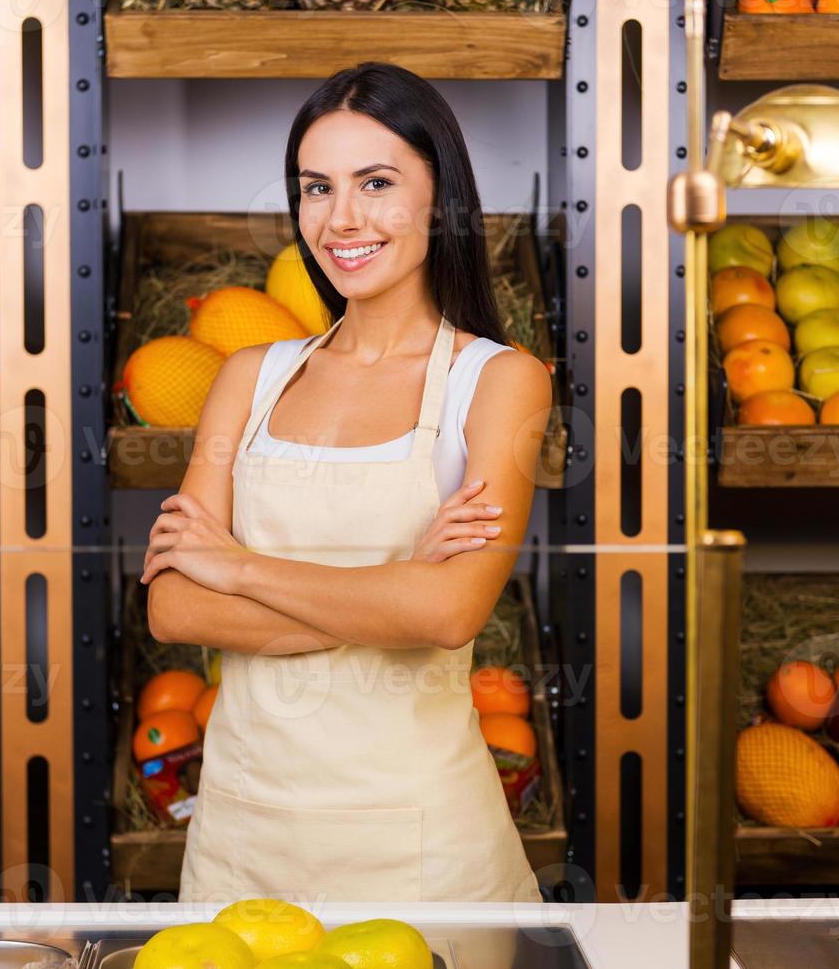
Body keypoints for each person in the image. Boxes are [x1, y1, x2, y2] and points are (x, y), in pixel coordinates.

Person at [140, 61, 553, 904]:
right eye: (316, 187)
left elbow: (447, 614)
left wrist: (238, 566)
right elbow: (174, 607)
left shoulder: (499, 380)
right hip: (239, 840)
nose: (342, 219)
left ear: (440, 198)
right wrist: (388, 592)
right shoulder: (248, 376)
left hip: (425, 847)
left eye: (376, 182)